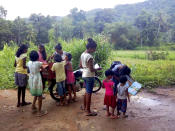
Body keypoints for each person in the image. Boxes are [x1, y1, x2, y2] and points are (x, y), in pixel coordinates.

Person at [80, 38, 101, 116]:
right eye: (94, 49)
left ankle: (85, 107)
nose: (94, 50)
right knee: (89, 93)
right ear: (90, 48)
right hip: (89, 76)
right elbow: (92, 69)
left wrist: (87, 67)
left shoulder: (83, 54)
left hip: (84, 75)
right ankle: (88, 111)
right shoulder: (90, 57)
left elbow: (80, 65)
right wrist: (98, 69)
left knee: (86, 92)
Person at [27, 50, 48, 117]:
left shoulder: (29, 63)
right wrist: (43, 70)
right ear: (37, 56)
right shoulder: (38, 63)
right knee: (40, 95)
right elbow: (44, 69)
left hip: (31, 78)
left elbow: (30, 70)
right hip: (37, 79)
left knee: (36, 93)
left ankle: (33, 106)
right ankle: (39, 111)